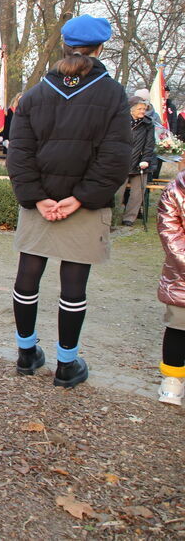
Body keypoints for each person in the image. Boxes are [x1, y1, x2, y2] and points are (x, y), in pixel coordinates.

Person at [6, 14, 131, 388]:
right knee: (73, 283)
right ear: (101, 48)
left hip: (42, 203)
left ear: (65, 45)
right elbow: (116, 157)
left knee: (29, 274)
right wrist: (80, 198)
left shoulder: (36, 93)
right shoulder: (112, 93)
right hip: (83, 203)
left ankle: (26, 354)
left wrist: (38, 198)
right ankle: (66, 364)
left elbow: (19, 154)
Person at [156, 169, 185, 405]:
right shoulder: (177, 189)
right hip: (182, 273)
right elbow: (169, 231)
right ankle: (172, 380)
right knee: (178, 323)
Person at [120, 96, 155, 226]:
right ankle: (114, 217)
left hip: (140, 163)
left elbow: (149, 144)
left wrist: (145, 160)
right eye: (140, 109)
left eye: (144, 109)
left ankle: (129, 218)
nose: (142, 111)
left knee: (137, 193)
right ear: (131, 110)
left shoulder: (148, 124)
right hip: (122, 163)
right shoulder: (121, 121)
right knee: (117, 191)